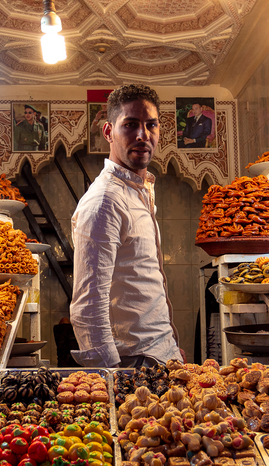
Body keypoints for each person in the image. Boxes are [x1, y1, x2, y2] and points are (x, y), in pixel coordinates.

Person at [69, 84, 183, 368]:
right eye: (130, 125)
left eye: (151, 125)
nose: (142, 135)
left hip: (160, 356)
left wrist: (171, 349)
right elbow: (87, 308)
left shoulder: (139, 191)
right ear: (109, 132)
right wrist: (114, 376)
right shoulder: (105, 201)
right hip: (133, 364)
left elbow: (141, 285)